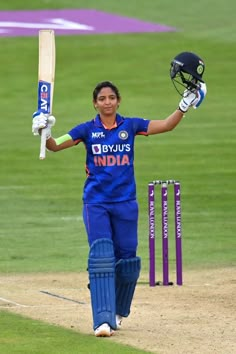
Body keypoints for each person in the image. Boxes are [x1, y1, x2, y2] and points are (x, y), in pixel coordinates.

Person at [32, 52, 207, 337]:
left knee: (127, 261)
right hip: (97, 203)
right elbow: (55, 145)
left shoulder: (131, 125)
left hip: (126, 203)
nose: (107, 102)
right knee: (102, 255)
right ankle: (102, 320)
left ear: (118, 101)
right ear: (95, 103)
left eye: (111, 97)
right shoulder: (86, 130)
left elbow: (166, 125)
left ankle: (117, 311)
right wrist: (44, 129)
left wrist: (183, 107)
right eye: (102, 98)